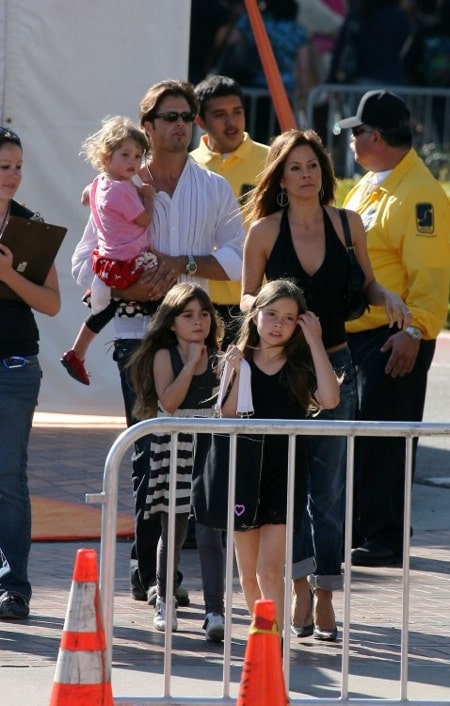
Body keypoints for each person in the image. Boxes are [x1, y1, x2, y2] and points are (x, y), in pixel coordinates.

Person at [71, 80, 245, 631]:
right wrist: (120, 284)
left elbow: (237, 258)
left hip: (197, 337)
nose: (179, 125)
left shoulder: (213, 186)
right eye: (168, 116)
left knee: (191, 460)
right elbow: (82, 261)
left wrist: (182, 265)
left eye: (187, 117)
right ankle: (152, 574)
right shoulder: (116, 182)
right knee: (150, 454)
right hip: (135, 336)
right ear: (146, 126)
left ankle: (158, 570)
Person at [240, 128, 411, 640]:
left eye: (312, 165)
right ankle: (297, 590)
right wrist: (270, 310)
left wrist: (390, 299)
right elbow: (246, 299)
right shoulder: (265, 232)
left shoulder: (348, 223)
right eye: (294, 167)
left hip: (336, 366)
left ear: (324, 172)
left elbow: (368, 283)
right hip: (281, 373)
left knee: (330, 490)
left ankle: (327, 594)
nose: (305, 175)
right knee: (287, 489)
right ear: (280, 177)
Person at [336, 89, 450, 566]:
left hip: (394, 336)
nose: (352, 143)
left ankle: (384, 539)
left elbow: (430, 275)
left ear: (375, 136)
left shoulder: (418, 194)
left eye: (356, 133)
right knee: (363, 437)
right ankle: (366, 530)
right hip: (364, 334)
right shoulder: (373, 183)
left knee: (384, 442)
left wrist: (415, 332)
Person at [222, 278, 340, 628]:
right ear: (254, 315)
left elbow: (331, 398)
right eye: (271, 314)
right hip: (244, 473)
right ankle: (265, 637)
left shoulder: (300, 366)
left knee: (270, 569)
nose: (278, 324)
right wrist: (233, 369)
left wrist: (316, 341)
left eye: (289, 318)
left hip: (285, 473)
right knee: (247, 576)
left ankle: (272, 645)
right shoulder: (239, 360)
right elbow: (226, 415)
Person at [128, 282, 221, 632]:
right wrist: (191, 363)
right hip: (175, 445)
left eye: (204, 314)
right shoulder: (165, 355)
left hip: (210, 445)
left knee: (211, 532)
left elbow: (225, 406)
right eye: (188, 315)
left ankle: (215, 609)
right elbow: (168, 401)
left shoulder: (219, 357)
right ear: (171, 322)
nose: (198, 322)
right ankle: (164, 600)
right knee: (174, 529)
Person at [0, 127, 61, 619]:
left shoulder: (31, 227)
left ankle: (14, 585)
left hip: (15, 366)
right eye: (4, 166)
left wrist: (8, 275)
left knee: (9, 475)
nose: (13, 175)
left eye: (18, 165)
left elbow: (53, 304)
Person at [61, 115, 157, 386]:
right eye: (125, 155)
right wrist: (148, 198)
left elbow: (84, 198)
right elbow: (144, 220)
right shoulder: (121, 192)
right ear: (106, 157)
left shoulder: (99, 184)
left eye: (138, 156)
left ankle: (77, 352)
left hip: (108, 261)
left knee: (104, 309)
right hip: (130, 262)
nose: (133, 162)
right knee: (157, 299)